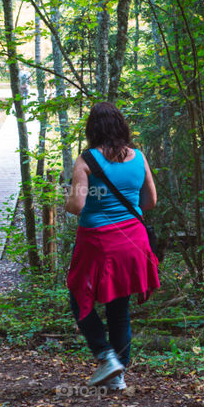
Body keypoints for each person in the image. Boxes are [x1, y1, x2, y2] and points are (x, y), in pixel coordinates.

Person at [65, 102, 159, 391]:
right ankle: (118, 376)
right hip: (133, 241)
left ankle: (105, 356)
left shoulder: (86, 160)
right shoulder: (139, 157)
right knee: (119, 307)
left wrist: (67, 199)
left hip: (99, 242)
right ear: (121, 126)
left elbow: (76, 206)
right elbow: (150, 202)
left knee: (78, 296)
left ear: (92, 129)